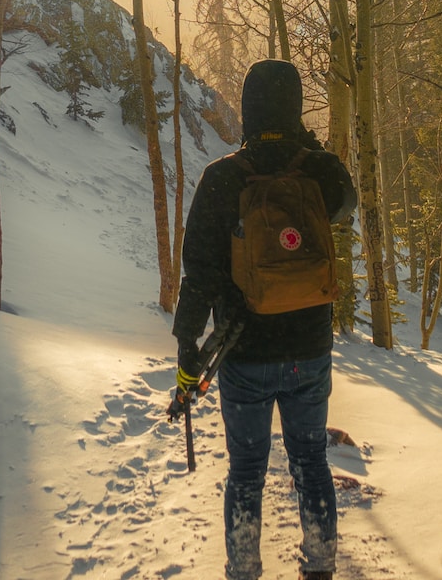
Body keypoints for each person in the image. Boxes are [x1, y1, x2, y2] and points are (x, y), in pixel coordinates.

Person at [172, 59, 358, 580]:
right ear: (295, 109)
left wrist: (187, 342)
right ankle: (320, 568)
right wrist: (309, 147)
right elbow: (345, 206)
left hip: (245, 354)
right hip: (309, 349)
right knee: (311, 466)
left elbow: (201, 271)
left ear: (249, 109)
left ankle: (244, 571)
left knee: (247, 472)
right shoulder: (320, 172)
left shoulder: (222, 178)